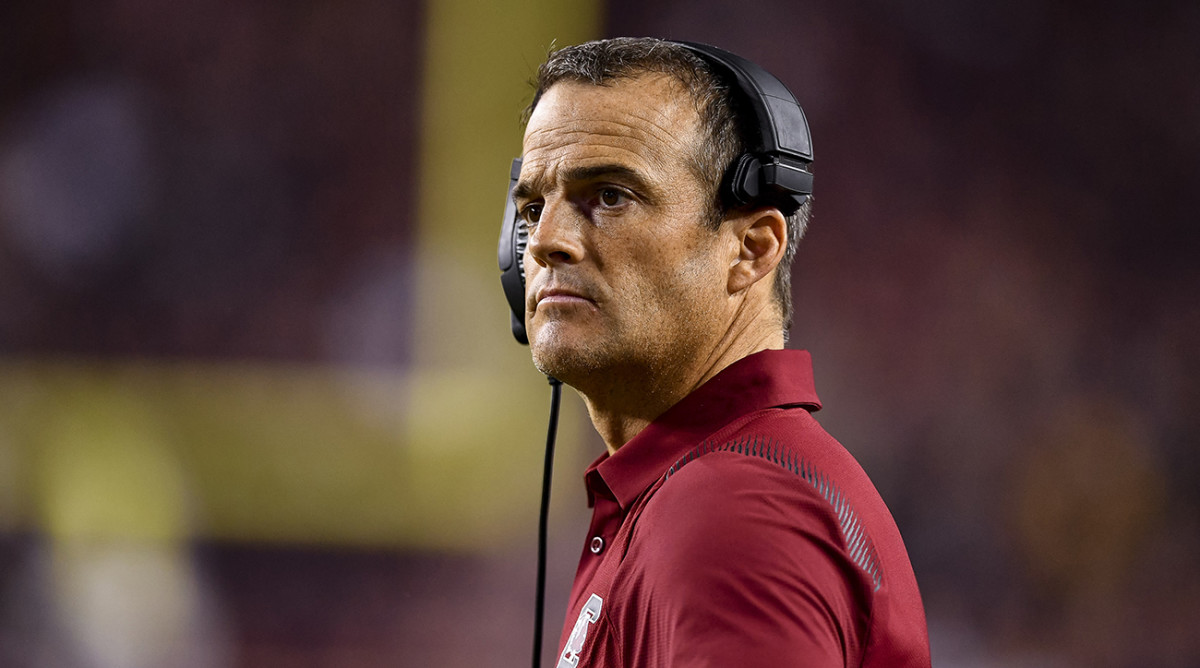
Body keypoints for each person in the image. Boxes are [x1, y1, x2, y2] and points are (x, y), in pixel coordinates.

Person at [511, 37, 930, 667]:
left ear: (753, 248)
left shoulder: (734, 513)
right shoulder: (700, 489)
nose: (545, 242)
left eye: (610, 196)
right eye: (533, 207)